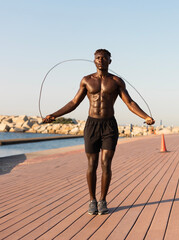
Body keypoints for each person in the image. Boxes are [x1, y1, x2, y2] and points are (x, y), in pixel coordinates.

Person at [43, 49, 155, 215]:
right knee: (91, 164)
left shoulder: (116, 81)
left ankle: (102, 200)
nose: (101, 60)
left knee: (106, 164)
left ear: (110, 61)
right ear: (94, 61)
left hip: (109, 125)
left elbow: (129, 102)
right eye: (97, 58)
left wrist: (145, 116)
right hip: (92, 125)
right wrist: (54, 115)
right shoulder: (86, 80)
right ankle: (92, 200)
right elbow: (74, 102)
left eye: (104, 58)